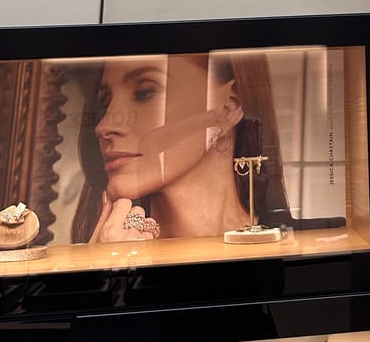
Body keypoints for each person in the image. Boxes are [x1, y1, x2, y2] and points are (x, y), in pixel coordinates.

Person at [71, 50, 289, 243]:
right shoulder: (96, 248)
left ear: (229, 106)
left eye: (145, 92)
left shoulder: (303, 243)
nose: (103, 126)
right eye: (105, 102)